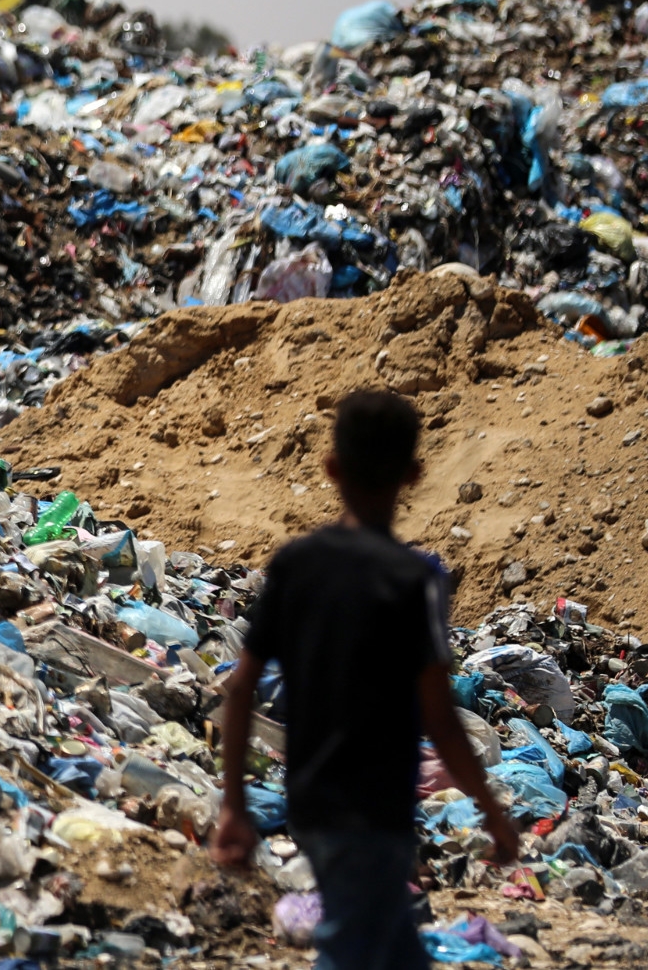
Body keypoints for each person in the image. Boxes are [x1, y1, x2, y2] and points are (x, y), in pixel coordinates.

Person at [211, 390, 519, 970]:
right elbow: (440, 716)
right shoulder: (419, 579)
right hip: (373, 808)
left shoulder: (295, 564)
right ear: (414, 474)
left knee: (392, 947)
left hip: (311, 797)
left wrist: (233, 804)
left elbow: (241, 688)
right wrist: (492, 809)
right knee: (350, 950)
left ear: (331, 467)